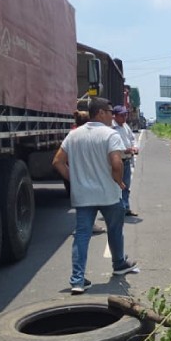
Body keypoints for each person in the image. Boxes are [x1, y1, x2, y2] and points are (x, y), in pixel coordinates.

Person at [51, 97, 138, 293]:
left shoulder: (74, 135)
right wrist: (119, 181)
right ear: (100, 113)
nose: (112, 116)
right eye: (109, 112)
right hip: (108, 193)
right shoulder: (110, 134)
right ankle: (119, 264)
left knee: (82, 235)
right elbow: (116, 163)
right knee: (115, 231)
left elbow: (57, 161)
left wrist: (75, 179)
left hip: (83, 196)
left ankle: (77, 280)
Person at [111, 105, 139, 217]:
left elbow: (132, 138)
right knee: (116, 185)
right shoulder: (111, 128)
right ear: (115, 116)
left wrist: (135, 147)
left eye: (125, 114)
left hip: (126, 160)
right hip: (117, 160)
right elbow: (113, 145)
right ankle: (115, 208)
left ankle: (126, 207)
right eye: (122, 115)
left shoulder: (125, 126)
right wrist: (125, 150)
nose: (124, 117)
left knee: (126, 185)